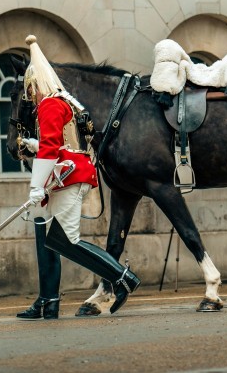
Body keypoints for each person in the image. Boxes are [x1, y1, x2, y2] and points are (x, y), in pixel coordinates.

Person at [16, 34, 140, 320]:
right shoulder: (58, 104)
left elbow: (50, 148)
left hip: (66, 177)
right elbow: (59, 144)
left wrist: (36, 185)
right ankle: (47, 300)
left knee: (65, 241)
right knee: (46, 238)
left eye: (30, 89)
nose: (30, 95)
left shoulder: (49, 104)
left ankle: (122, 277)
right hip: (59, 175)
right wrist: (33, 147)